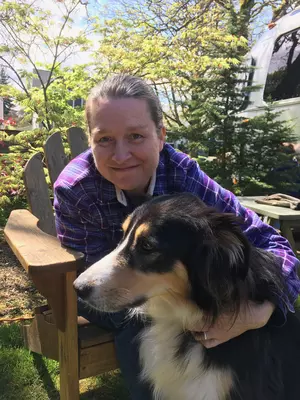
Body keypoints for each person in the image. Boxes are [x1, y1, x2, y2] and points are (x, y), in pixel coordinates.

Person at [53, 74, 300, 399]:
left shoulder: (185, 175)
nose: (121, 155)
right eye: (105, 140)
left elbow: (275, 245)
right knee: (140, 342)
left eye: (136, 136)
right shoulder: (75, 190)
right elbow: (92, 287)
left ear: (160, 137)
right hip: (126, 308)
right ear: (90, 141)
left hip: (194, 298)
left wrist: (262, 309)